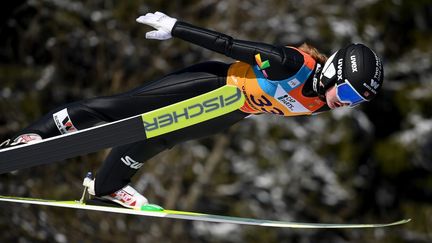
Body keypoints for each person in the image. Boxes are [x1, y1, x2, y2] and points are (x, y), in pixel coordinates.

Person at [0, 12, 384, 209]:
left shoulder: (322, 101)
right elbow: (230, 44)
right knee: (119, 110)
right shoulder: (290, 64)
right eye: (347, 94)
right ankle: (33, 137)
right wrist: (176, 28)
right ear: (334, 71)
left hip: (228, 111)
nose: (344, 105)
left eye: (355, 102)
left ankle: (105, 187)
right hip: (213, 84)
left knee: (156, 138)